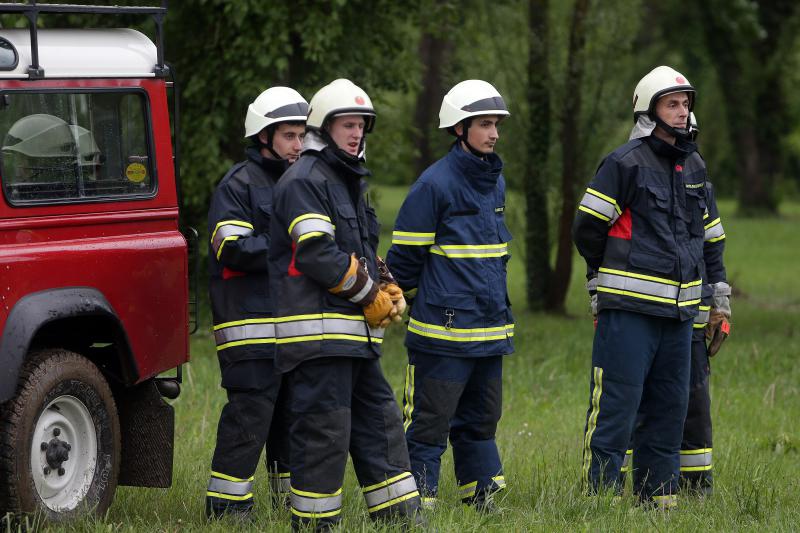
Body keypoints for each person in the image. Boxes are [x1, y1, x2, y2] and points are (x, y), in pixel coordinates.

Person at [269, 78, 422, 531]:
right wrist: (369, 294)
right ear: (323, 128)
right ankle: (316, 525)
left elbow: (359, 246)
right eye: (347, 125)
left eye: (361, 126)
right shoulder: (305, 179)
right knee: (325, 435)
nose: (356, 134)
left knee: (382, 424)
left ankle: (399, 519)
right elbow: (317, 251)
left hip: (351, 338)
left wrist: (387, 280)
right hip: (317, 338)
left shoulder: (345, 180)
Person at [573, 66, 708, 508]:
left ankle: (658, 501)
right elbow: (587, 228)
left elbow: (703, 238)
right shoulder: (623, 163)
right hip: (629, 313)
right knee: (616, 409)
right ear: (649, 110)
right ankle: (601, 500)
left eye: (685, 103)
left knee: (669, 413)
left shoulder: (694, 165)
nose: (682, 111)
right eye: (672, 104)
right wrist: (602, 277)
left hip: (678, 316)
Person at [386, 79, 514, 511]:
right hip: (442, 334)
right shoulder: (433, 185)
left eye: (495, 123)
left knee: (482, 421)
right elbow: (403, 262)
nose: (493, 133)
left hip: (490, 329)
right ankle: (419, 502)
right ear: (459, 129)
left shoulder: (495, 182)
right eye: (484, 124)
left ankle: (482, 499)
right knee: (429, 424)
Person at [205, 86, 308, 519]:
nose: (299, 145)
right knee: (249, 416)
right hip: (249, 328)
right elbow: (229, 247)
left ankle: (285, 503)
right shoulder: (239, 184)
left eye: (302, 135)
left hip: (291, 328)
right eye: (289, 136)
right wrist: (288, 245)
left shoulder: (302, 183)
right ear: (264, 137)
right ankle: (227, 509)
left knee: (289, 417)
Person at [617, 112, 731, 496]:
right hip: (649, 313)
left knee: (692, 402)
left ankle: (696, 487)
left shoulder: (700, 180)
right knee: (636, 399)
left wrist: (720, 305)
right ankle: (637, 485)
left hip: (692, 316)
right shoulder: (631, 168)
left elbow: (713, 246)